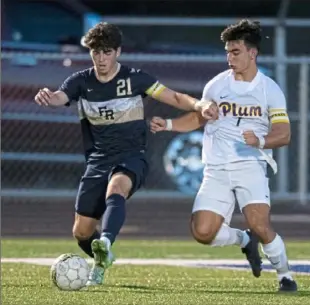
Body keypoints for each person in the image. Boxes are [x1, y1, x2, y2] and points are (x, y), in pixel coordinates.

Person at [34, 22, 217, 286]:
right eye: (96, 52)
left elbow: (175, 98)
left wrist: (200, 103)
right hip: (97, 160)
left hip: (131, 155)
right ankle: (101, 258)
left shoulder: (135, 79)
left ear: (117, 52)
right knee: (81, 231)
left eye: (106, 52)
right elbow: (59, 97)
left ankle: (106, 242)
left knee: (116, 188)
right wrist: (47, 97)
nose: (101, 58)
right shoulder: (80, 82)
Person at [150, 19, 297, 292]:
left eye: (235, 51)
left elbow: (284, 134)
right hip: (216, 169)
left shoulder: (269, 90)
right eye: (227, 52)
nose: (229, 57)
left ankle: (285, 275)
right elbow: (197, 119)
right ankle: (244, 240)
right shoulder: (216, 86)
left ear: (252, 53)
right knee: (203, 232)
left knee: (261, 224)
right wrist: (168, 125)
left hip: (249, 166)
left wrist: (261, 140)